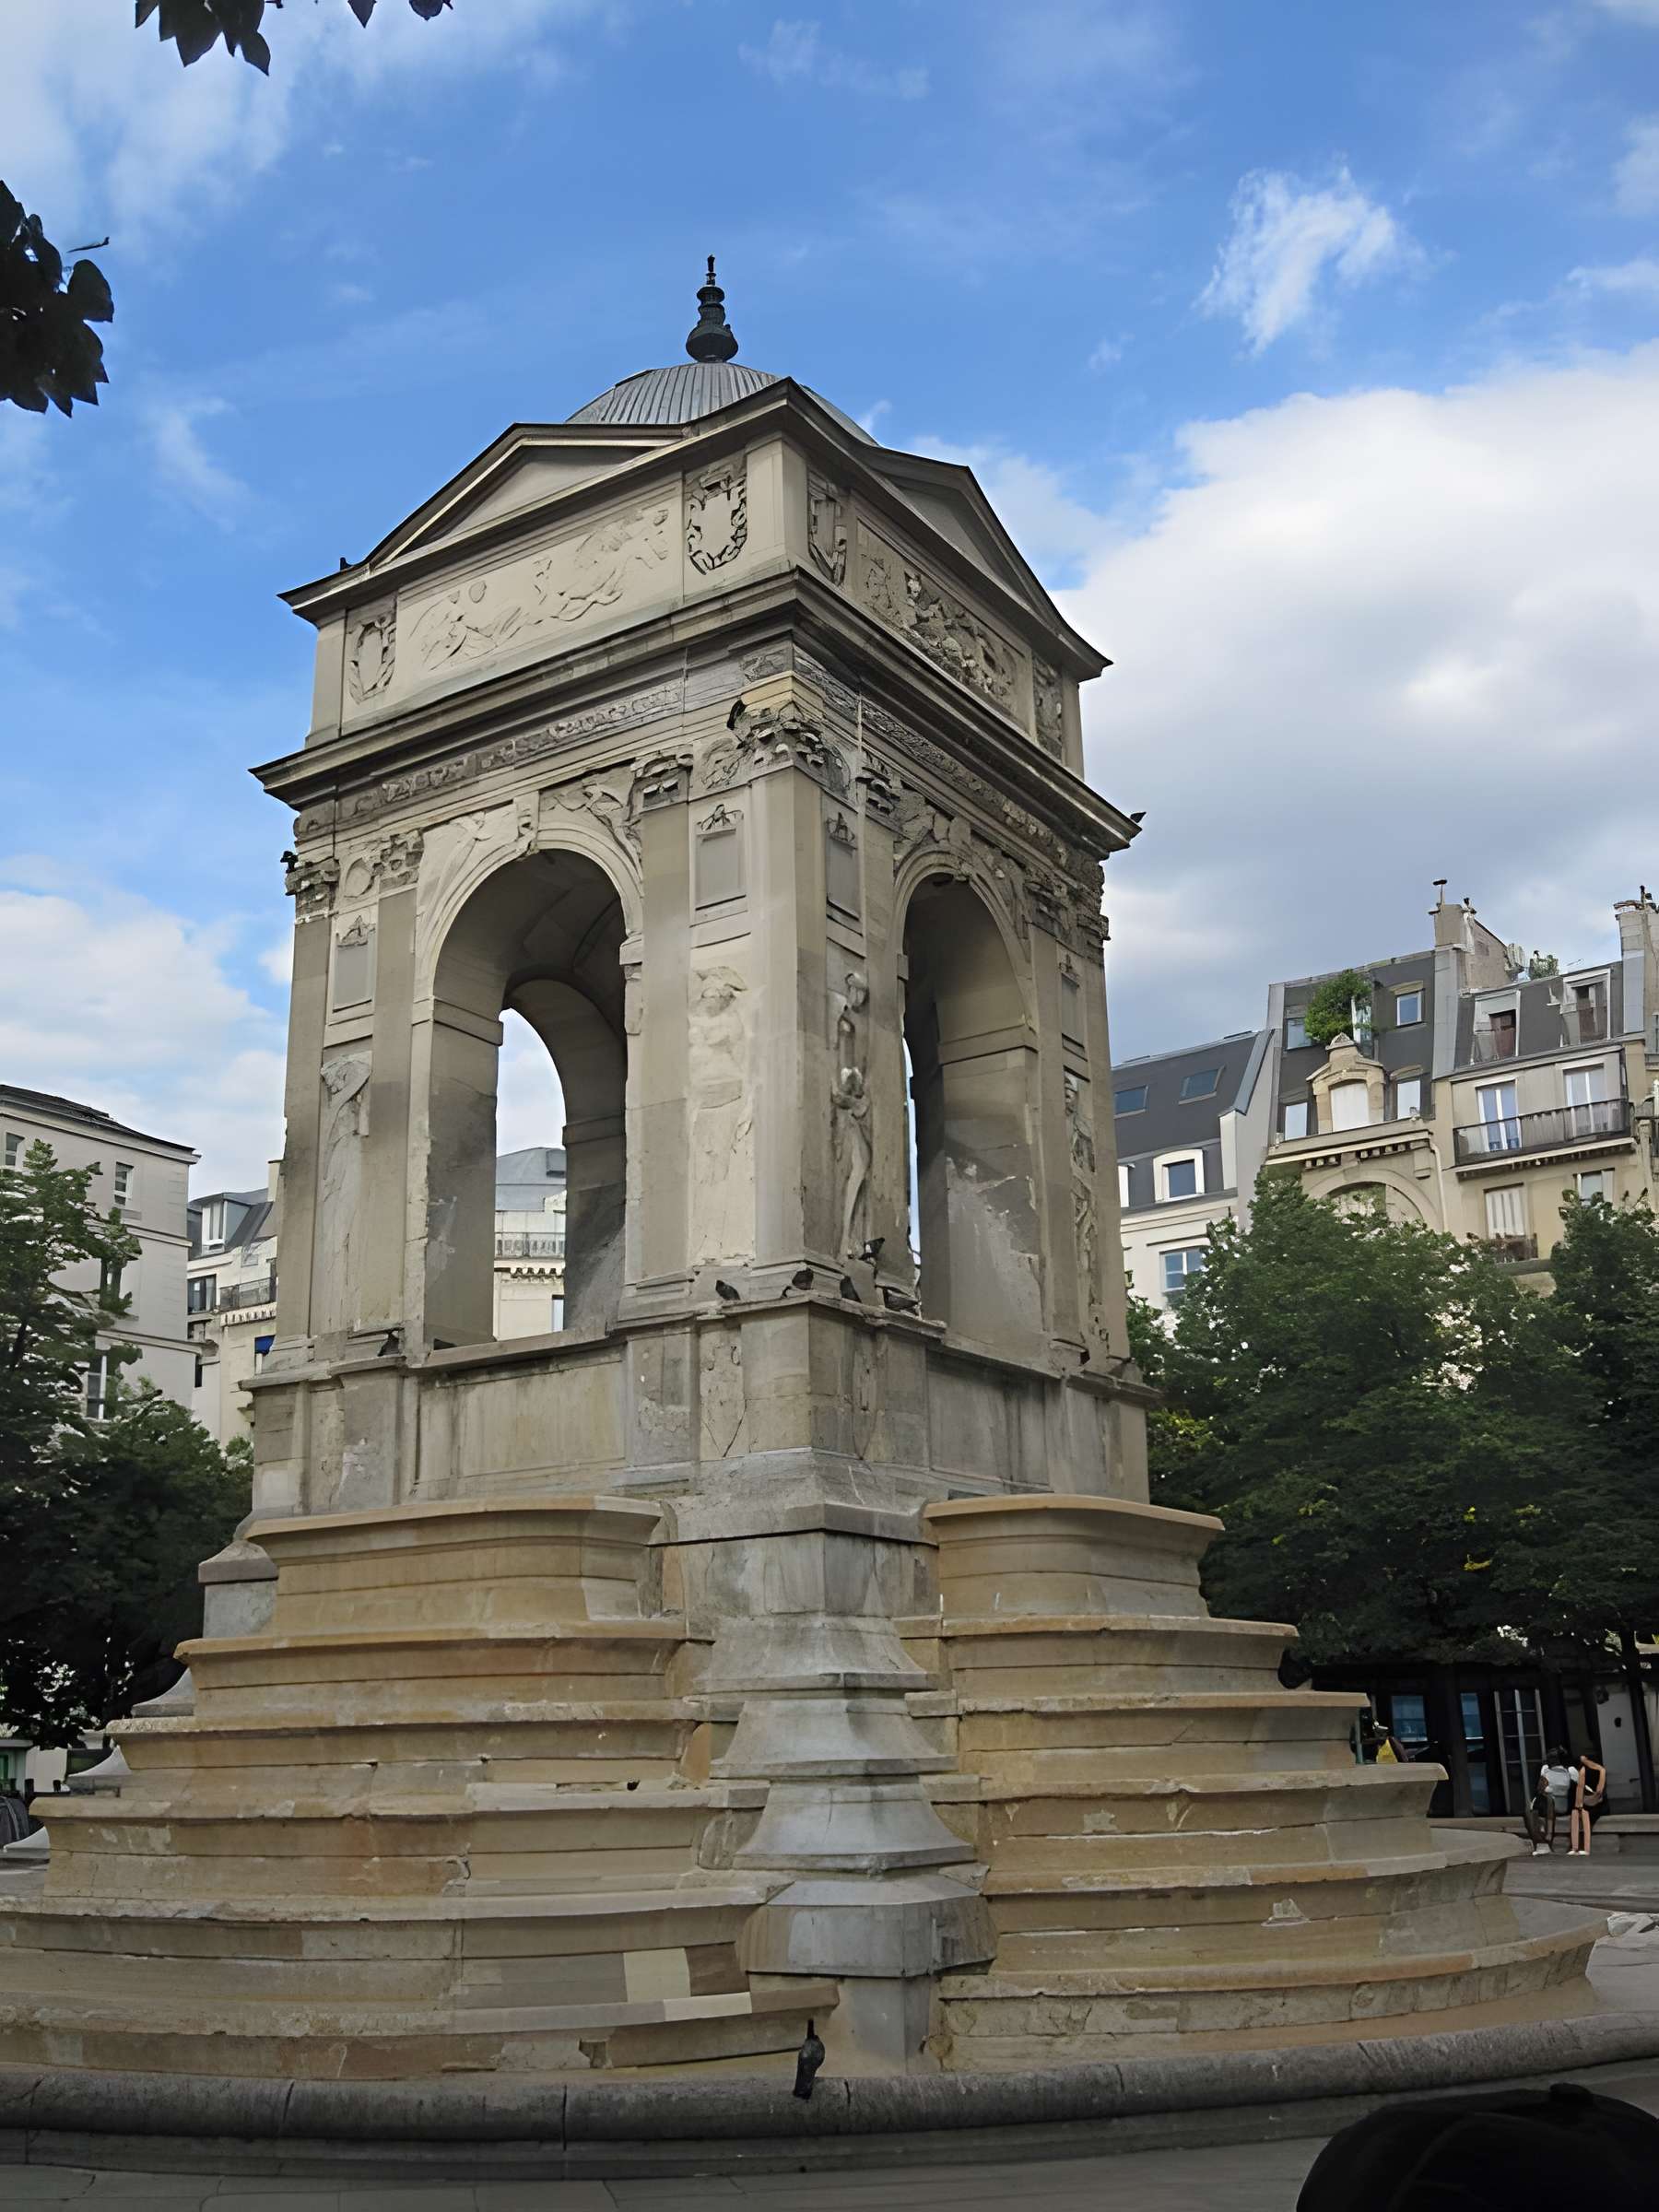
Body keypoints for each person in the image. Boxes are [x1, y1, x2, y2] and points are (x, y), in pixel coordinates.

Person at [1535, 1745, 1577, 1855]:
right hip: (1558, 1806)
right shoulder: (1568, 1772)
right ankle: (1545, 1835)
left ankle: (1546, 1834)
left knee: (1545, 1801)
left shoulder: (1550, 1773)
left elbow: (1540, 1790)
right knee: (1547, 1800)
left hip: (1557, 1806)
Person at [1571, 1747, 1607, 1857]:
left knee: (1583, 1817)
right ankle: (1578, 1848)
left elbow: (1598, 1792)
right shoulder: (1592, 1770)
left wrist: (1580, 1805)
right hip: (1589, 1802)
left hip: (1592, 1803)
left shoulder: (1596, 1770)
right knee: (1579, 1816)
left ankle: (1581, 1848)